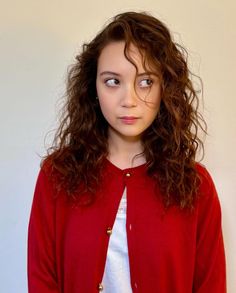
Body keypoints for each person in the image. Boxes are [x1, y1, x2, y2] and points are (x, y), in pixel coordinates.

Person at [28, 11, 226, 293]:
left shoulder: (195, 184)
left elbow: (211, 285)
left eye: (146, 82)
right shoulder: (57, 175)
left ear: (164, 89)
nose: (129, 100)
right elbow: (41, 281)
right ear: (93, 89)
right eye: (113, 81)